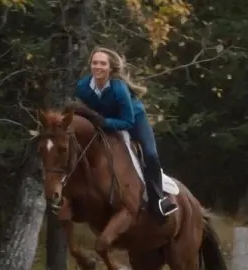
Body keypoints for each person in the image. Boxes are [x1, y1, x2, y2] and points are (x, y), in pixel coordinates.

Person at [73, 46, 177, 224]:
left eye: (103, 64)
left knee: (150, 154)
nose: (98, 67)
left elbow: (127, 122)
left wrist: (104, 122)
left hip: (133, 121)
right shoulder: (83, 86)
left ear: (110, 68)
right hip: (103, 121)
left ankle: (158, 200)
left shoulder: (118, 88)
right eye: (95, 63)